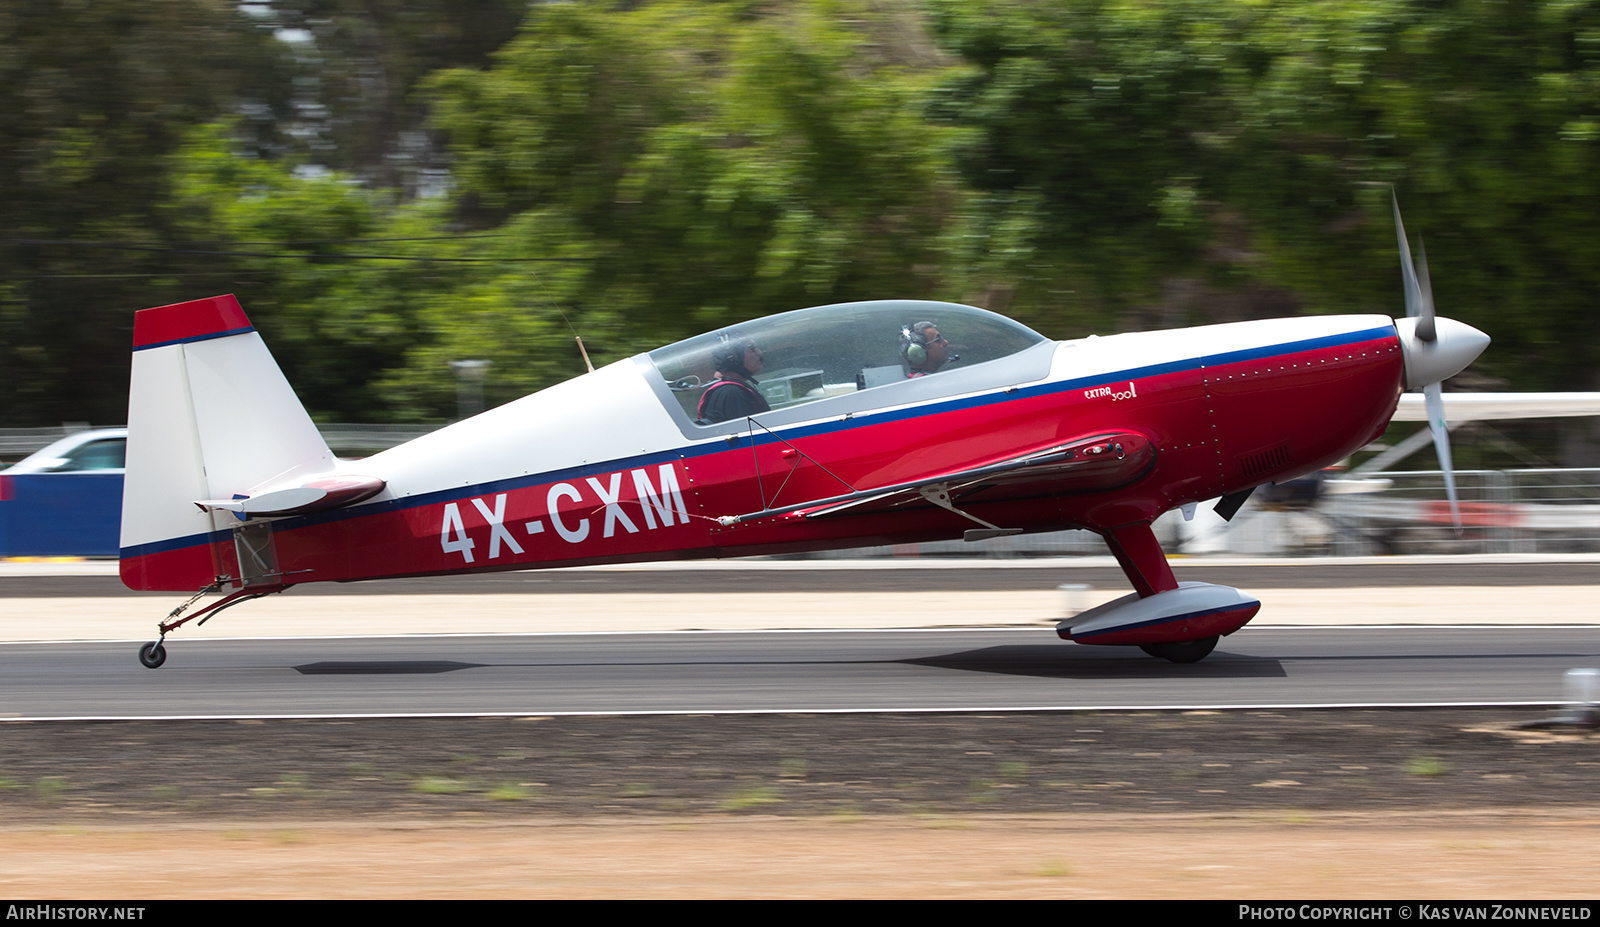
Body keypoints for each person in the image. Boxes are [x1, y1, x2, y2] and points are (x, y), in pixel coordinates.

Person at [697, 335, 771, 423]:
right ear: (733, 357)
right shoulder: (732, 393)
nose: (759, 352)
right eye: (752, 349)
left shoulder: (726, 390)